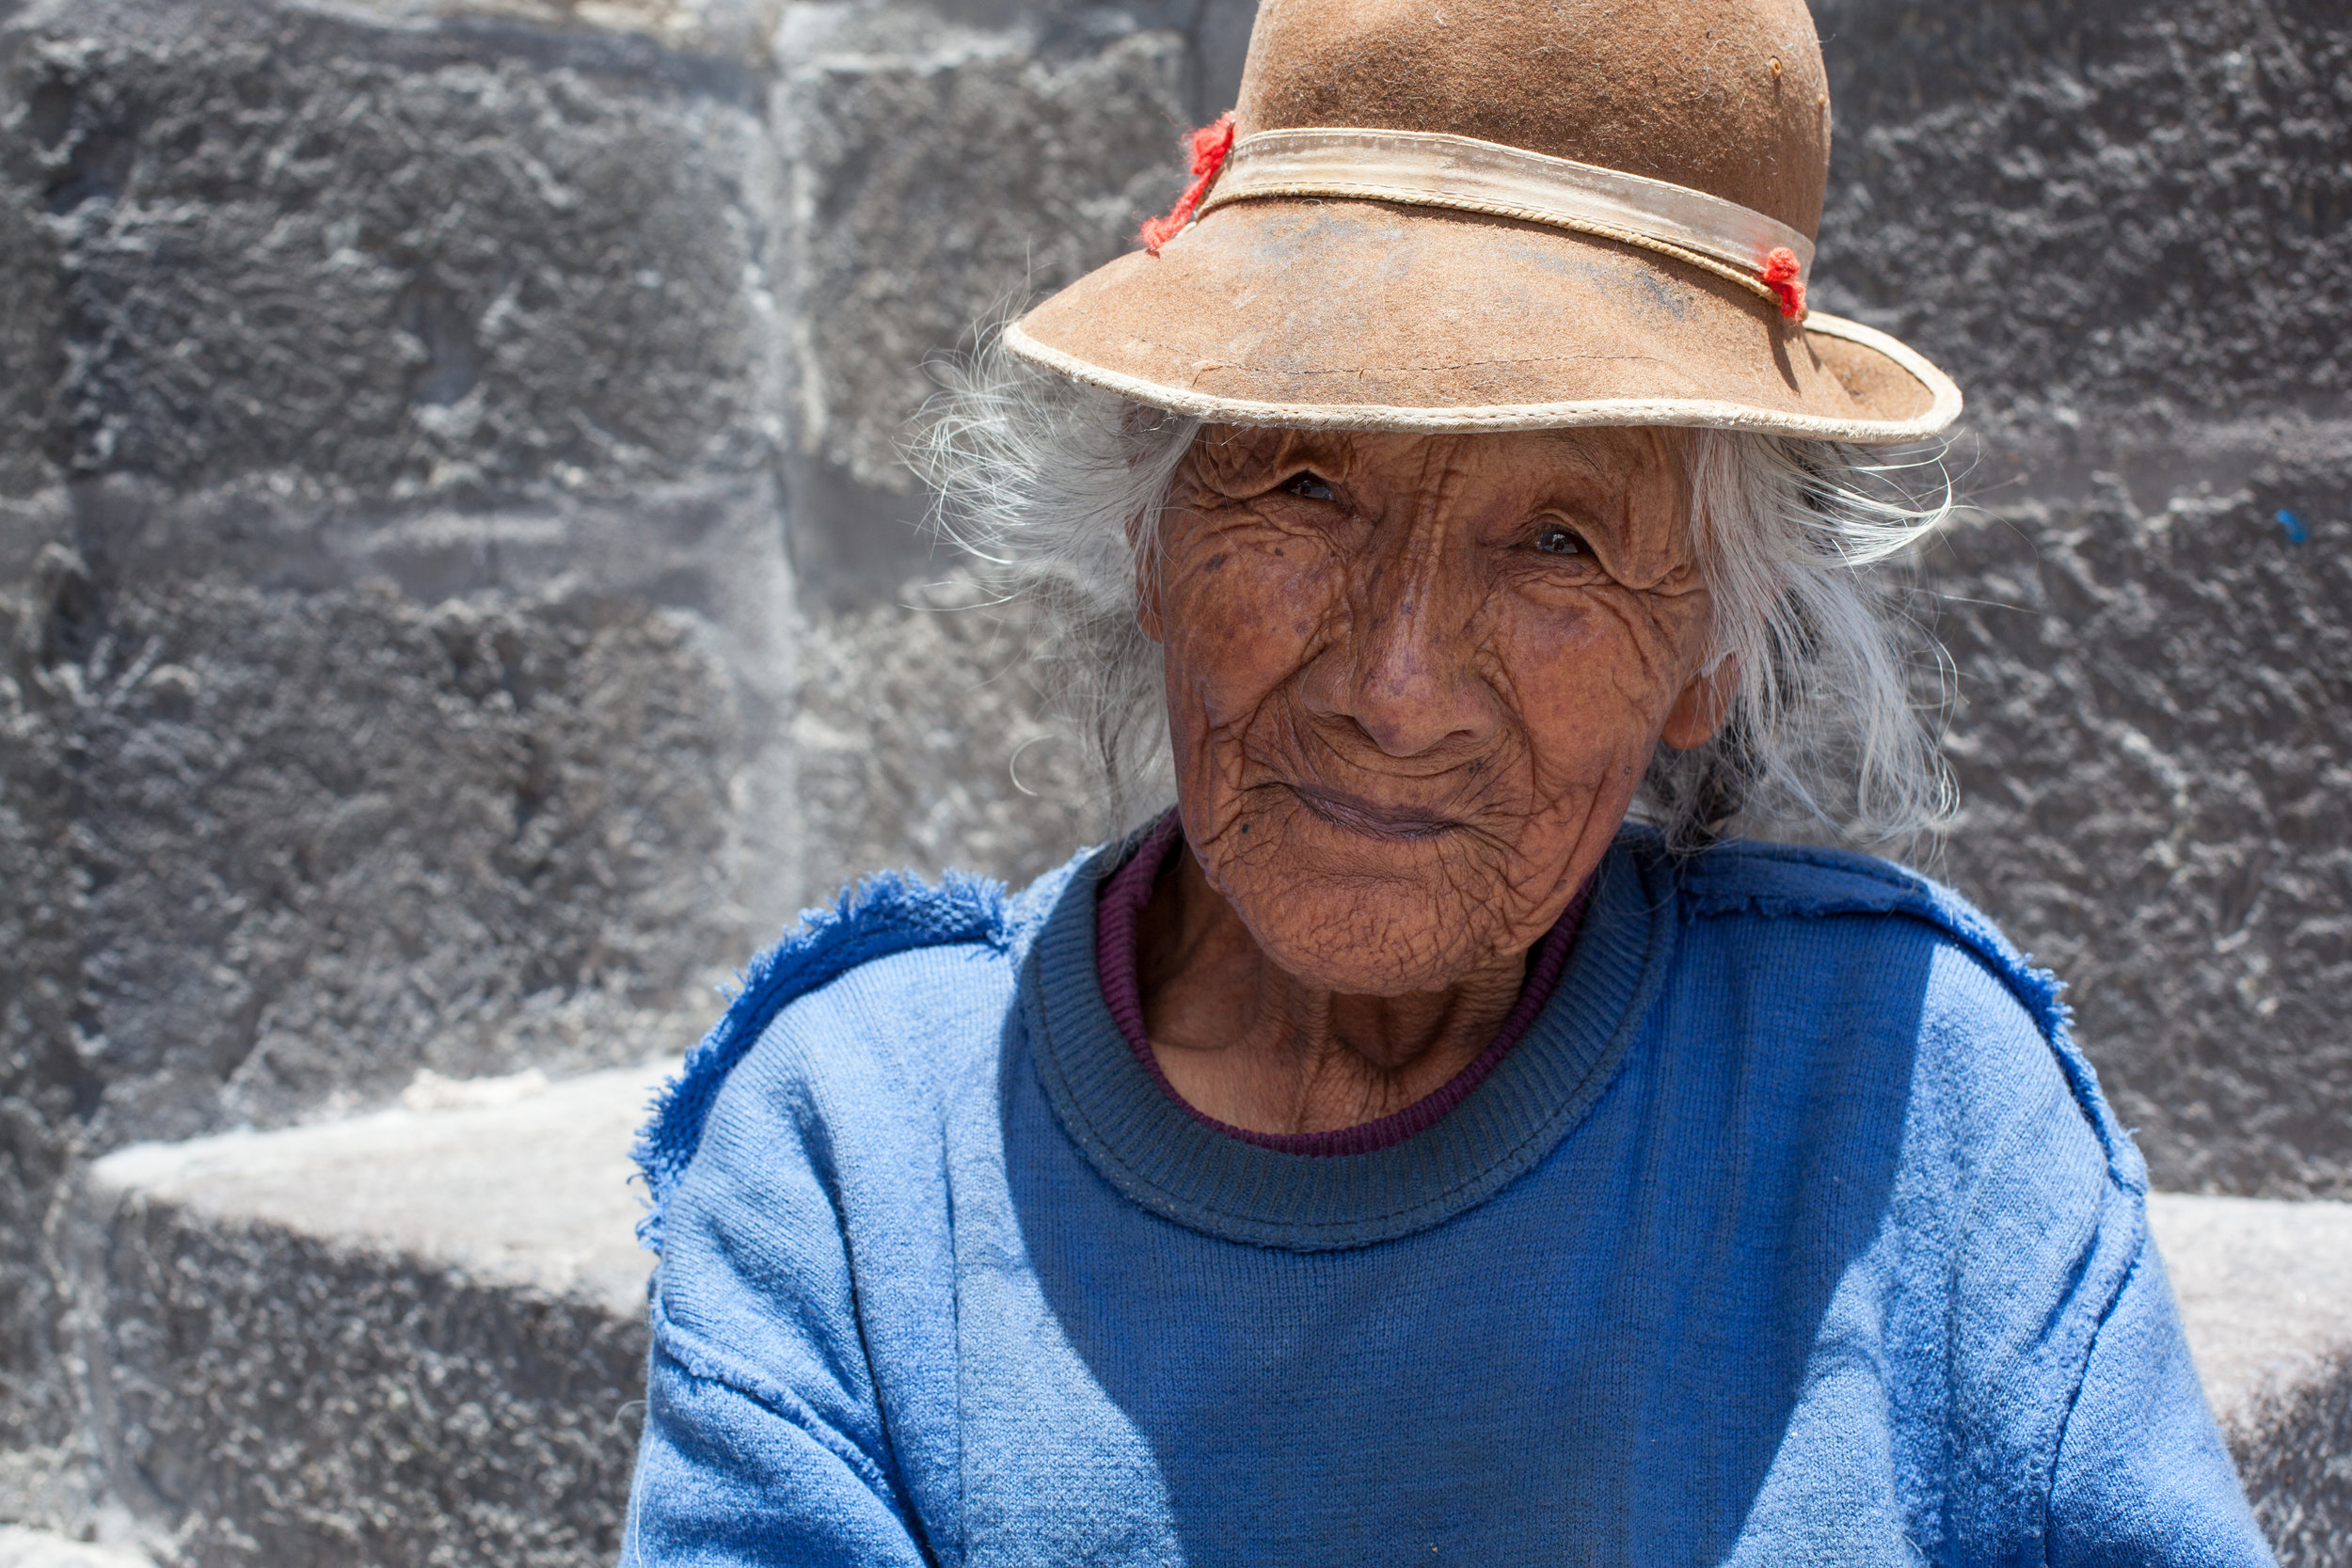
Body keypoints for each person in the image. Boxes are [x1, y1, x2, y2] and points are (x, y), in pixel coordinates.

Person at [620, 0, 2274, 1561]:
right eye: (1307, 481)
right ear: (1152, 534)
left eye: (1560, 542)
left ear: (1709, 645)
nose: (1395, 691)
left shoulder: (1912, 1101)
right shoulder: (854, 1156)